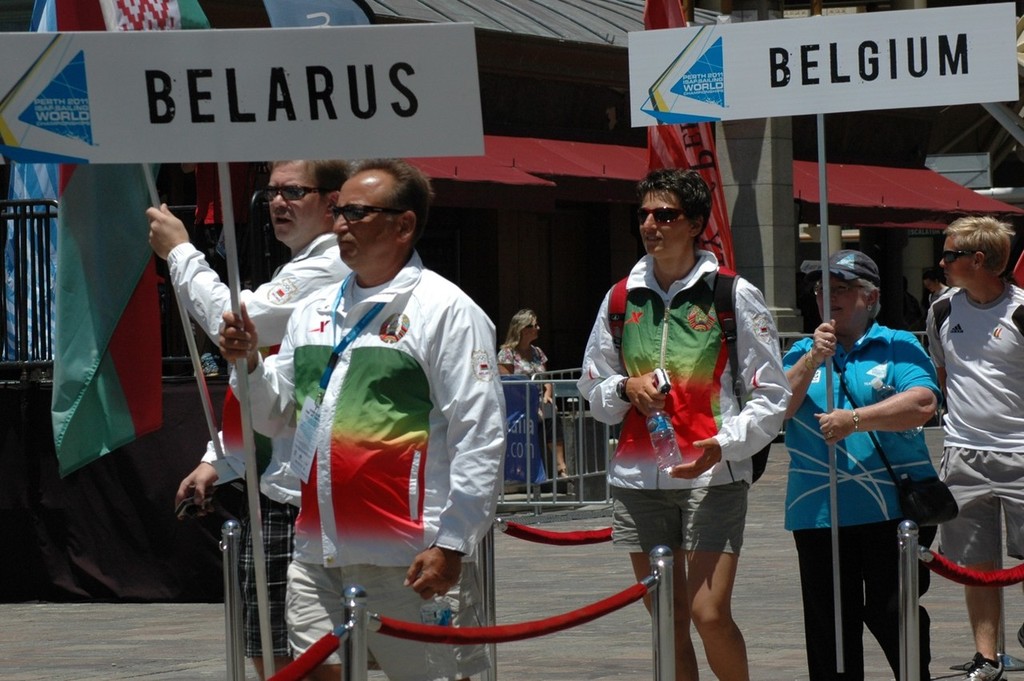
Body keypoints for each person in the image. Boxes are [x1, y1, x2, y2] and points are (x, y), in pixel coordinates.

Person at [219, 158, 506, 681]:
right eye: (337, 211)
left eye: (356, 212)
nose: (339, 225)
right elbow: (276, 414)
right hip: (317, 556)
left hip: (410, 558)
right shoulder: (312, 311)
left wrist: (452, 543)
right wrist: (250, 364)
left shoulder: (447, 310)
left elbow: (479, 435)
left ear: (403, 225)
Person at [577, 168, 789, 681]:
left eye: (666, 214)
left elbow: (771, 395)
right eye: (645, 214)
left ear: (695, 224)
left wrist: (724, 444)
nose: (651, 224)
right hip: (637, 479)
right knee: (667, 621)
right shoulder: (621, 297)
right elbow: (593, 386)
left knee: (707, 614)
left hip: (712, 476)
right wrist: (624, 389)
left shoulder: (733, 294)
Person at [148, 159, 350, 680]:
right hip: (277, 482)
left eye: (294, 191)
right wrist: (222, 456)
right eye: (272, 191)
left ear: (332, 203)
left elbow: (233, 323)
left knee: (301, 658)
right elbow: (269, 381)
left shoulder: (326, 267)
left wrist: (180, 252)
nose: (277, 202)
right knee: (272, 653)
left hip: (302, 497)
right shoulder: (302, 267)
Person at [782, 249, 941, 681]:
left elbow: (923, 402)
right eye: (822, 290)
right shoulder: (800, 352)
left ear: (870, 298)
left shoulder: (898, 345)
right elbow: (777, 409)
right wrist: (812, 359)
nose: (829, 298)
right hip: (819, 511)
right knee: (829, 628)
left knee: (892, 614)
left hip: (891, 509)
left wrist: (855, 420)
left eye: (842, 289)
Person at [926, 216, 1024, 681]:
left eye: (948, 255)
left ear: (978, 260)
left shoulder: (1022, 311)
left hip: (1022, 454)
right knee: (975, 563)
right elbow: (942, 374)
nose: (940, 263)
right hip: (963, 453)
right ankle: (987, 658)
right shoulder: (942, 310)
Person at [498, 308, 568, 478]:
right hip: (518, 404)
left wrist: (547, 396)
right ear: (522, 329)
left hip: (537, 402)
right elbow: (508, 384)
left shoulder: (537, 352)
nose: (538, 328)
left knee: (551, 413)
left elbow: (546, 379)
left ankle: (562, 468)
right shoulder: (507, 354)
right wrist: (530, 403)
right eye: (533, 325)